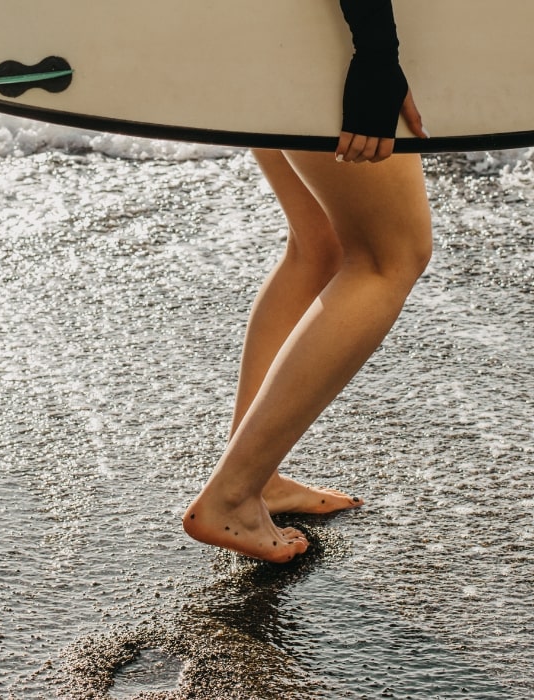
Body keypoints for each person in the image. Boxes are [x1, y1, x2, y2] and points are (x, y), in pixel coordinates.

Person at [182, 0, 432, 563]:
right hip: (330, 31)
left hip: (267, 24)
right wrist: (376, 53)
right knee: (388, 257)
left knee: (322, 244)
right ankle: (233, 495)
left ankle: (256, 479)